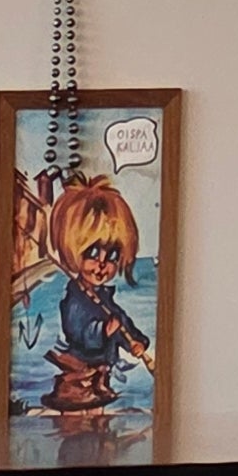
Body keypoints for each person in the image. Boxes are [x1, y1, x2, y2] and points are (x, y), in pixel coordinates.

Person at [43, 177, 154, 416]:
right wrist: (102, 331)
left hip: (101, 374)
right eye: (92, 253)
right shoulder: (75, 298)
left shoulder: (103, 297)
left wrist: (135, 341)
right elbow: (75, 329)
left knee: (98, 418)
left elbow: (121, 323)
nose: (102, 264)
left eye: (112, 255)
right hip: (79, 373)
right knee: (74, 421)